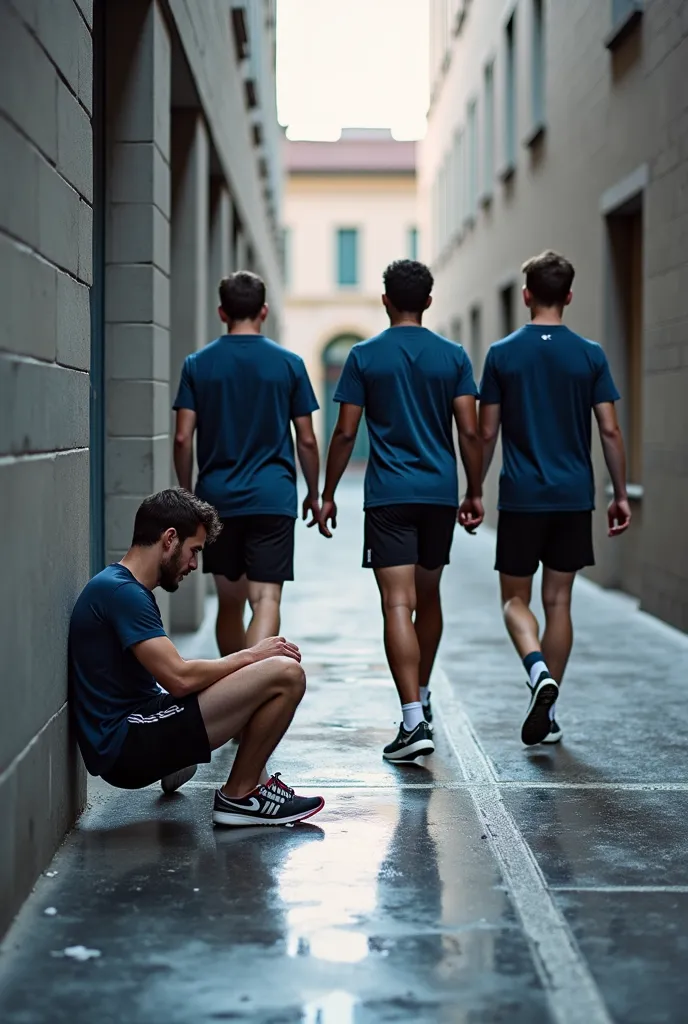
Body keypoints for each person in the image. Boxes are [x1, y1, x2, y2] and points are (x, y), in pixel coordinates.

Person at [68, 489, 325, 827]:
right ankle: (239, 796)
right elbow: (179, 678)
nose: (193, 564)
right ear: (169, 539)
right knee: (286, 674)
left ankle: (245, 780)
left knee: (252, 683)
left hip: (138, 726)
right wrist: (251, 655)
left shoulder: (125, 588)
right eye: (194, 551)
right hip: (125, 745)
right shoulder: (122, 593)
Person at [319, 259, 484, 764]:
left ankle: (413, 717)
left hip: (389, 495)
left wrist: (326, 493)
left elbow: (345, 431)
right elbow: (470, 431)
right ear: (429, 302)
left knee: (397, 603)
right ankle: (425, 694)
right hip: (437, 493)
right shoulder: (453, 355)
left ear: (386, 300)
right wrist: (474, 490)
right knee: (428, 598)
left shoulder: (364, 356)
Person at [479, 250, 631, 746]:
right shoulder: (590, 354)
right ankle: (548, 706)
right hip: (572, 496)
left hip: (522, 497)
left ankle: (535, 667)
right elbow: (609, 430)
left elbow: (487, 433)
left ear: (526, 296)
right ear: (568, 296)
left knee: (514, 600)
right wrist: (620, 493)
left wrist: (473, 488)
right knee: (559, 600)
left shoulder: (502, 354)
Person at [173, 271, 321, 658]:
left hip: (218, 499)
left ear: (222, 313)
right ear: (265, 311)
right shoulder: (290, 364)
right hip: (273, 497)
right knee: (266, 599)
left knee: (229, 603)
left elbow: (182, 437)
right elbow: (306, 437)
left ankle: (232, 691)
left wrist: (187, 495)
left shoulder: (197, 365)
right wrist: (315, 493)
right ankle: (253, 691)